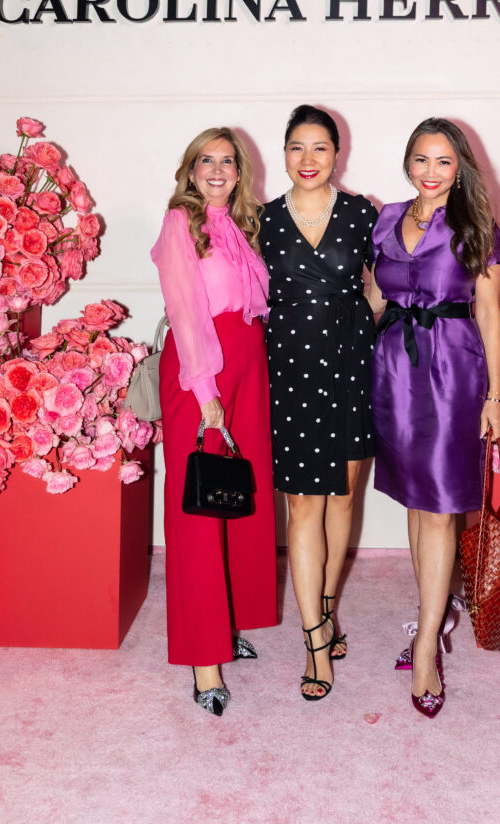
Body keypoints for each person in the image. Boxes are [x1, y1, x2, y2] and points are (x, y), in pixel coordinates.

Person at [368, 117, 500, 719]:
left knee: (444, 507)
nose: (430, 172)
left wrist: (496, 396)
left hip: (454, 374)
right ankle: (431, 612)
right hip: (395, 370)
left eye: (443, 161)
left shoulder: (479, 227)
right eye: (421, 160)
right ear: (408, 164)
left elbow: (489, 315)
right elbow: (375, 296)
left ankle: (426, 646)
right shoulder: (384, 218)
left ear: (460, 168)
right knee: (416, 502)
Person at [151, 127, 277, 716]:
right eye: (208, 160)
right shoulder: (180, 222)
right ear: (190, 169)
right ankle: (204, 658)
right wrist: (205, 391)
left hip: (248, 366)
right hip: (203, 370)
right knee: (199, 512)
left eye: (228, 161)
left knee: (241, 501)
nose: (219, 170)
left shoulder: (239, 225)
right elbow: (184, 307)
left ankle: (231, 625)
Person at [260, 105, 377, 701]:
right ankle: (313, 641)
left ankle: (328, 610)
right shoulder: (261, 220)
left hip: (353, 370)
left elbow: (379, 291)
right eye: (297, 148)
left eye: (320, 149)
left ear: (338, 153)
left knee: (342, 499)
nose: (308, 161)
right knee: (303, 509)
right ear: (284, 154)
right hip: (291, 376)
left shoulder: (363, 214)